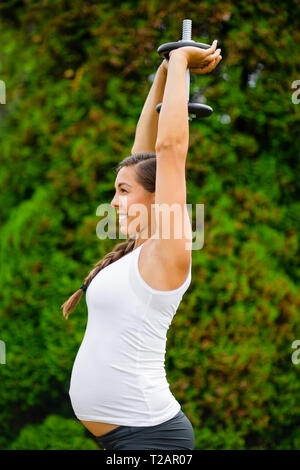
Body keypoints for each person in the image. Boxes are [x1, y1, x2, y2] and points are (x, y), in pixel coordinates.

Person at [61, 41, 222, 450]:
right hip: (126, 438)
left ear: (156, 196)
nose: (113, 201)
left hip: (152, 439)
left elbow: (169, 152)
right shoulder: (139, 246)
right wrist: (166, 71)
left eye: (122, 191)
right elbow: (146, 151)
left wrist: (184, 62)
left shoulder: (167, 247)